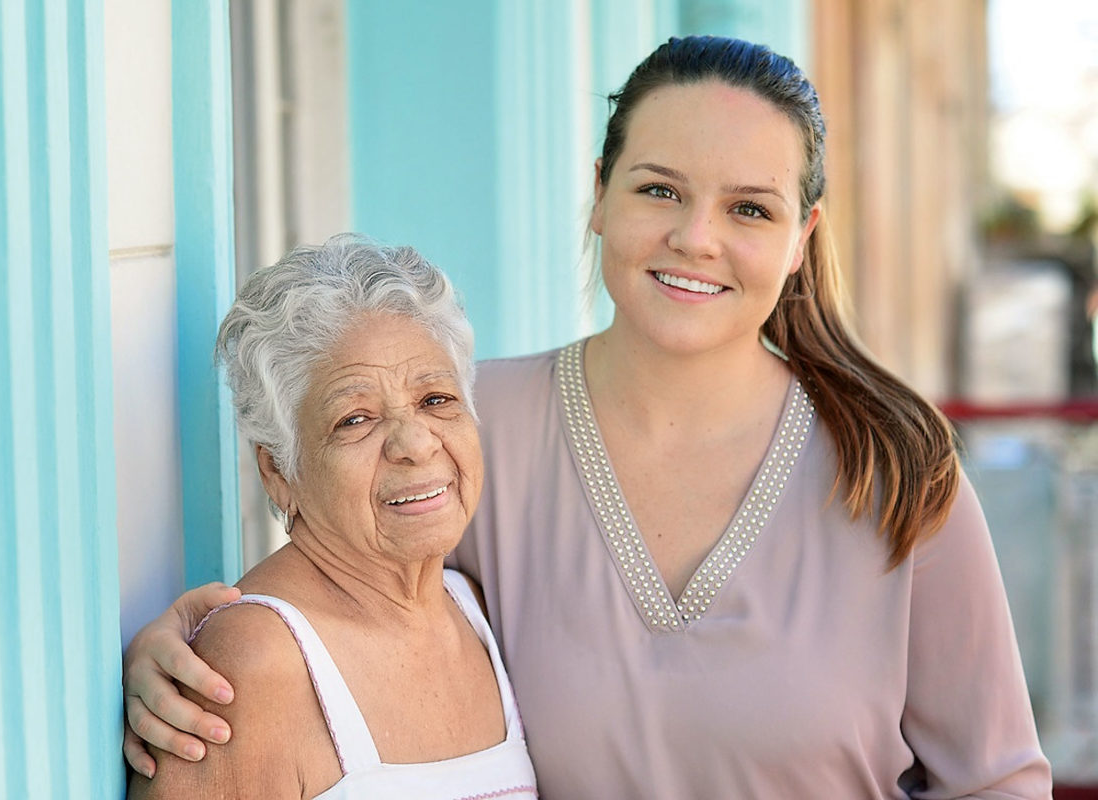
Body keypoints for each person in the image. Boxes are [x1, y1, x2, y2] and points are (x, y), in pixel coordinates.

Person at [122, 36, 1052, 798]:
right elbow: (341, 601)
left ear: (802, 240)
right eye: (659, 189)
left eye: (751, 209)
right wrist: (189, 649)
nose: (697, 237)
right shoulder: (470, 433)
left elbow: (999, 780)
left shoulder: (895, 471)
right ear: (601, 193)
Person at [127, 235, 537, 799]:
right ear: (278, 470)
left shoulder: (477, 608)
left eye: (436, 400)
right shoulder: (254, 664)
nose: (415, 443)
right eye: (355, 419)